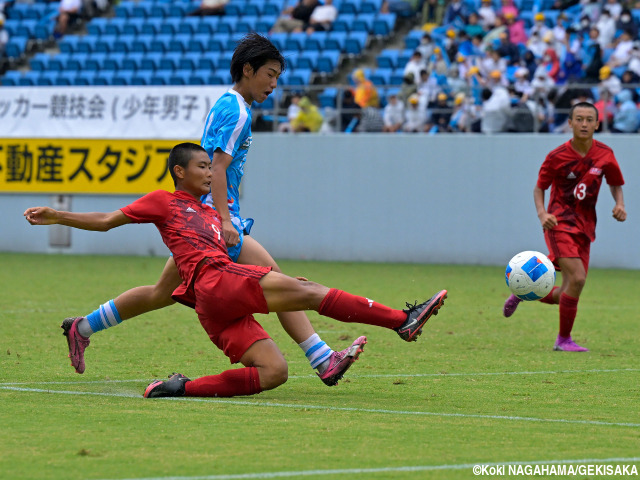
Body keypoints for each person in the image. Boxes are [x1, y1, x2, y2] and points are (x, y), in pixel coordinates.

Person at [24, 143, 449, 399]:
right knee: (311, 293)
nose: (210, 173)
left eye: (212, 167)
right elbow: (107, 220)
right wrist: (56, 215)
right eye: (203, 167)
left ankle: (177, 388)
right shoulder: (163, 202)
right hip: (217, 284)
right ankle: (402, 321)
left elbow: (167, 285)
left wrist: (266, 267)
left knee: (274, 373)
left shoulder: (210, 217)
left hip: (213, 304)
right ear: (179, 172)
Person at [57, 33, 362, 388]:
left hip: (202, 220)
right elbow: (217, 168)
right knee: (282, 283)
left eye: (278, 76)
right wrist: (224, 220)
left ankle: (82, 327)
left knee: (160, 293)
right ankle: (323, 358)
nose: (274, 84)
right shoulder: (235, 111)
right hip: (212, 222)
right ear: (247, 70)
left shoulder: (230, 104)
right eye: (270, 74)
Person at [503, 102, 626, 352]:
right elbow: (540, 187)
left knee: (567, 291)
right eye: (578, 119)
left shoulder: (605, 154)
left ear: (597, 124)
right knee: (578, 278)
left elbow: (614, 182)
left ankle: (523, 292)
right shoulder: (557, 156)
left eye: (589, 119)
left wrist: (620, 203)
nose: (584, 124)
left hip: (586, 227)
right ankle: (563, 340)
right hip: (559, 223)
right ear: (569, 123)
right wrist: (542, 214)